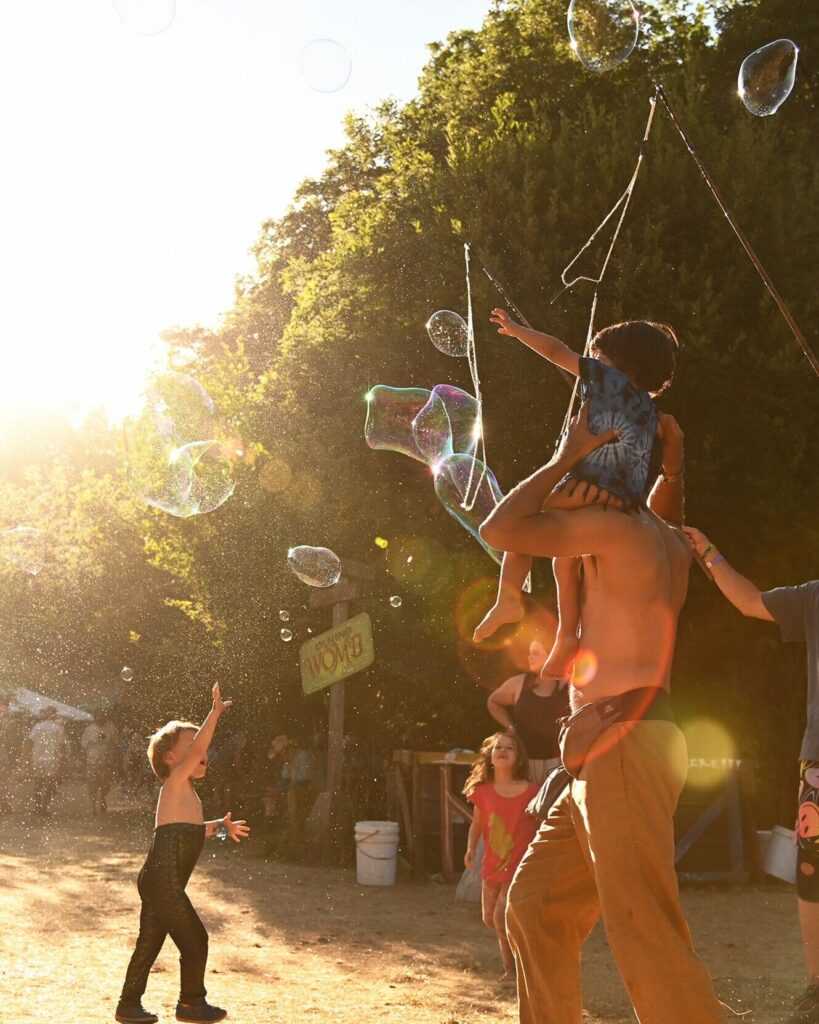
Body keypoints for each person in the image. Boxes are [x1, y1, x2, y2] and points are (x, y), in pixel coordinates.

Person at [479, 403, 724, 1024]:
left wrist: (562, 459)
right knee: (533, 907)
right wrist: (675, 462)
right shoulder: (655, 532)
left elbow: (502, 528)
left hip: (624, 739)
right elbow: (668, 506)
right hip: (607, 749)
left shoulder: (619, 531)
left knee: (645, 931)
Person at [473, 312, 679, 686]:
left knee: (525, 521)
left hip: (581, 487)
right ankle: (568, 633)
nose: (593, 361)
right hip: (620, 501)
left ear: (618, 360)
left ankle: (508, 597)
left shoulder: (607, 378)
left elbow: (555, 350)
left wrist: (518, 331)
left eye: (599, 356)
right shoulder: (651, 411)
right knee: (564, 562)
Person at [683, 526, 819, 1024]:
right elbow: (749, 601)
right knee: (812, 874)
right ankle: (817, 986)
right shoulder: (814, 596)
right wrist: (708, 552)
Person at [116, 683, 250, 1024]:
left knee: (148, 945)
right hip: (163, 882)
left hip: (160, 881)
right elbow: (202, 744)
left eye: (200, 746)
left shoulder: (185, 794)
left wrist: (220, 826)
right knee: (196, 939)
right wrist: (215, 712)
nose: (200, 751)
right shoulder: (174, 782)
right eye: (191, 746)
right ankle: (191, 1004)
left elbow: (192, 830)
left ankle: (128, 1006)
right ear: (170, 758)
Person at [463, 731, 539, 983]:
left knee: (500, 916)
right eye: (498, 748)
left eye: (510, 748)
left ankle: (512, 970)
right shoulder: (482, 791)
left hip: (520, 864)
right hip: (493, 863)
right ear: (490, 757)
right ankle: (524, 956)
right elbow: (476, 824)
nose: (503, 751)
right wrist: (471, 848)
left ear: (518, 758)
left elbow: (542, 825)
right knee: (489, 918)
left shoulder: (531, 791)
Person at [486, 641, 570, 784]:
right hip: (525, 764)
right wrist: (510, 726)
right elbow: (493, 702)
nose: (530, 657)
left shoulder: (569, 684)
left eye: (535, 653)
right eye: (529, 653)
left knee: (558, 806)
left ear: (551, 655)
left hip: (562, 764)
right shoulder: (518, 684)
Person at [25, 706, 67, 818]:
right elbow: (62, 746)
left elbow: (29, 741)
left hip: (37, 759)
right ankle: (44, 807)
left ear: (45, 715)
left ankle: (38, 806)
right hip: (52, 759)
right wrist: (63, 761)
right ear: (54, 715)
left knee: (38, 783)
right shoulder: (59, 728)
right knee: (49, 784)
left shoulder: (37, 727)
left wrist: (27, 757)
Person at [81, 708, 118, 816]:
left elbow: (115, 745)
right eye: (98, 716)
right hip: (92, 762)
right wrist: (82, 760)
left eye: (102, 716)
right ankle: (93, 806)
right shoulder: (89, 730)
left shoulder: (111, 728)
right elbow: (83, 745)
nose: (100, 718)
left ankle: (102, 798)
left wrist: (115, 760)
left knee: (105, 785)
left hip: (106, 762)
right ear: (94, 717)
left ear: (105, 717)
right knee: (92, 785)